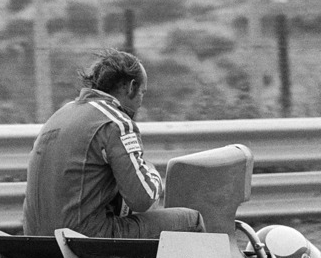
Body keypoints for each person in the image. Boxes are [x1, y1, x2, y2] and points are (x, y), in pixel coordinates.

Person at [23, 49, 205, 238]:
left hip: (37, 239)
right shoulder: (116, 122)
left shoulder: (58, 116)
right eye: (142, 93)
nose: (141, 103)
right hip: (85, 238)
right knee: (192, 221)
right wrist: (153, 173)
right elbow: (143, 198)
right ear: (131, 87)